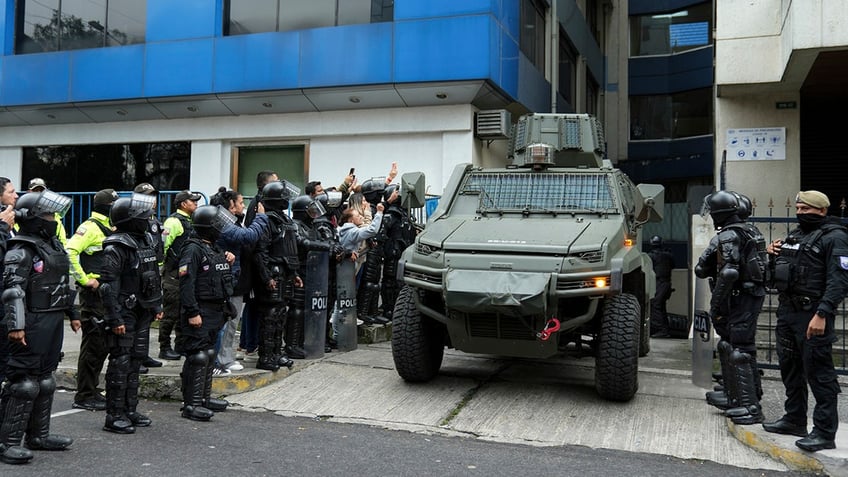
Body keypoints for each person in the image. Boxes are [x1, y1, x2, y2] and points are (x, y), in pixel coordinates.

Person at [762, 190, 848, 452]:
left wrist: (822, 314)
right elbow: (784, 270)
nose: (800, 213)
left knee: (819, 374)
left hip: (813, 315)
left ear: (821, 211)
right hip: (788, 313)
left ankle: (823, 432)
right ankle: (794, 419)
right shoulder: (797, 235)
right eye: (798, 208)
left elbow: (840, 280)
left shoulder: (836, 238)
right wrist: (772, 254)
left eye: (806, 209)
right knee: (791, 369)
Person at [0, 189, 79, 465]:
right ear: (33, 218)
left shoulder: (54, 247)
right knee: (23, 383)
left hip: (53, 319)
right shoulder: (21, 250)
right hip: (31, 323)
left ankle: (38, 436)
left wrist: (74, 311)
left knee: (46, 380)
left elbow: (68, 281)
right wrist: (16, 325)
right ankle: (6, 442)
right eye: (47, 214)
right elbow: (12, 291)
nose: (53, 219)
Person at [694, 190, 767, 426]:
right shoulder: (750, 231)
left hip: (738, 299)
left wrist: (715, 305)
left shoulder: (729, 235)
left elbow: (723, 271)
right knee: (732, 346)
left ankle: (750, 406)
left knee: (740, 350)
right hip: (747, 297)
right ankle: (734, 396)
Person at [98, 193, 164, 434]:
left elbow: (153, 275)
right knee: (121, 362)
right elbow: (108, 287)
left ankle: (130, 409)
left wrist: (157, 305)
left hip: (143, 310)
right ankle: (114, 415)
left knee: (136, 361)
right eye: (143, 216)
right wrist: (114, 318)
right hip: (124, 313)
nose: (148, 220)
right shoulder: (116, 246)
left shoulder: (145, 241)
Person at [175, 205, 235, 421]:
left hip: (215, 310)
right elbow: (186, 283)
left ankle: (204, 399)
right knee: (198, 356)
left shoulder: (214, 248)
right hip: (199, 309)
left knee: (209, 354)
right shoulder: (192, 249)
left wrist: (227, 259)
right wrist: (192, 312)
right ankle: (190, 405)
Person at [66, 188, 118, 411]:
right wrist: (85, 279)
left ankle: (92, 389)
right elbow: (70, 251)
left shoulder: (109, 227)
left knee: (102, 345)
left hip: (106, 294)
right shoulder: (89, 227)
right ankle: (85, 394)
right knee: (93, 344)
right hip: (93, 296)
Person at [209, 187, 268, 374]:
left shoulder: (232, 221)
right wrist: (260, 217)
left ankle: (226, 358)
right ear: (231, 205)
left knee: (232, 322)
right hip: (227, 280)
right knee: (227, 323)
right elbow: (248, 236)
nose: (243, 206)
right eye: (240, 203)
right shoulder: (223, 224)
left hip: (235, 279)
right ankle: (221, 360)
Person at [253, 181, 302, 370]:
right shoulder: (266, 220)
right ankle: (265, 356)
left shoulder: (283, 219)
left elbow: (289, 249)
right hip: (273, 272)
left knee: (280, 315)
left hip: (285, 272)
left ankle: (276, 353)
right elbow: (261, 252)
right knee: (270, 316)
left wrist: (294, 273)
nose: (286, 201)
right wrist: (266, 277)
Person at [238, 171, 279, 361]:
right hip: (256, 263)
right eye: (275, 182)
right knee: (254, 305)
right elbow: (256, 238)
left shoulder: (264, 203)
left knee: (254, 306)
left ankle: (248, 342)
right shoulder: (259, 205)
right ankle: (249, 344)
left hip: (259, 261)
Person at [159, 190, 201, 360]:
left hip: (184, 274)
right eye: (193, 201)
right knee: (171, 312)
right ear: (184, 204)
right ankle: (164, 347)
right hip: (172, 275)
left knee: (183, 312)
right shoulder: (174, 221)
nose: (196, 204)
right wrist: (161, 270)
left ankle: (180, 345)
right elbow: (163, 247)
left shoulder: (190, 221)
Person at [133, 182, 165, 372]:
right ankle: (134, 358)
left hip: (154, 271)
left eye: (153, 196)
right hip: (139, 274)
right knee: (137, 318)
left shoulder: (154, 221)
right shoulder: (132, 219)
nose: (151, 200)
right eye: (147, 196)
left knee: (147, 318)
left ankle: (143, 355)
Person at [378, 184, 412, 322]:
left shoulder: (403, 213)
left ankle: (397, 308)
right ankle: (388, 308)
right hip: (393, 252)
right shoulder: (391, 213)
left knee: (400, 283)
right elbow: (381, 233)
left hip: (403, 253)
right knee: (390, 281)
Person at [0, 177, 18, 386]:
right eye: (11, 192)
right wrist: (3, 228)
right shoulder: (4, 224)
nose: (16, 196)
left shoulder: (11, 222)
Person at [24, 178, 68, 246]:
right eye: (35, 190)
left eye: (41, 190)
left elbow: (62, 240)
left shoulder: (53, 215)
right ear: (28, 192)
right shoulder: (22, 212)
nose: (38, 193)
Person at [648, 235, 675, 338]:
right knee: (660, 306)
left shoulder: (651, 256)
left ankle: (660, 329)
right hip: (666, 283)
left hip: (659, 282)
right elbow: (673, 265)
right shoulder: (668, 255)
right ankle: (664, 329)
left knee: (656, 304)